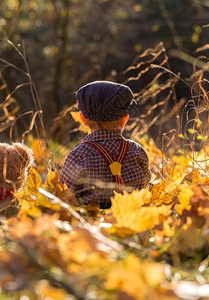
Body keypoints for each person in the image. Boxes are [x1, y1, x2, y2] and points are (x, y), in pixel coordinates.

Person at [60, 80, 151, 209]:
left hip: (91, 221)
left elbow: (65, 192)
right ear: (125, 120)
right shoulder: (137, 151)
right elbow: (146, 183)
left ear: (83, 120)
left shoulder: (78, 156)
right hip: (133, 215)